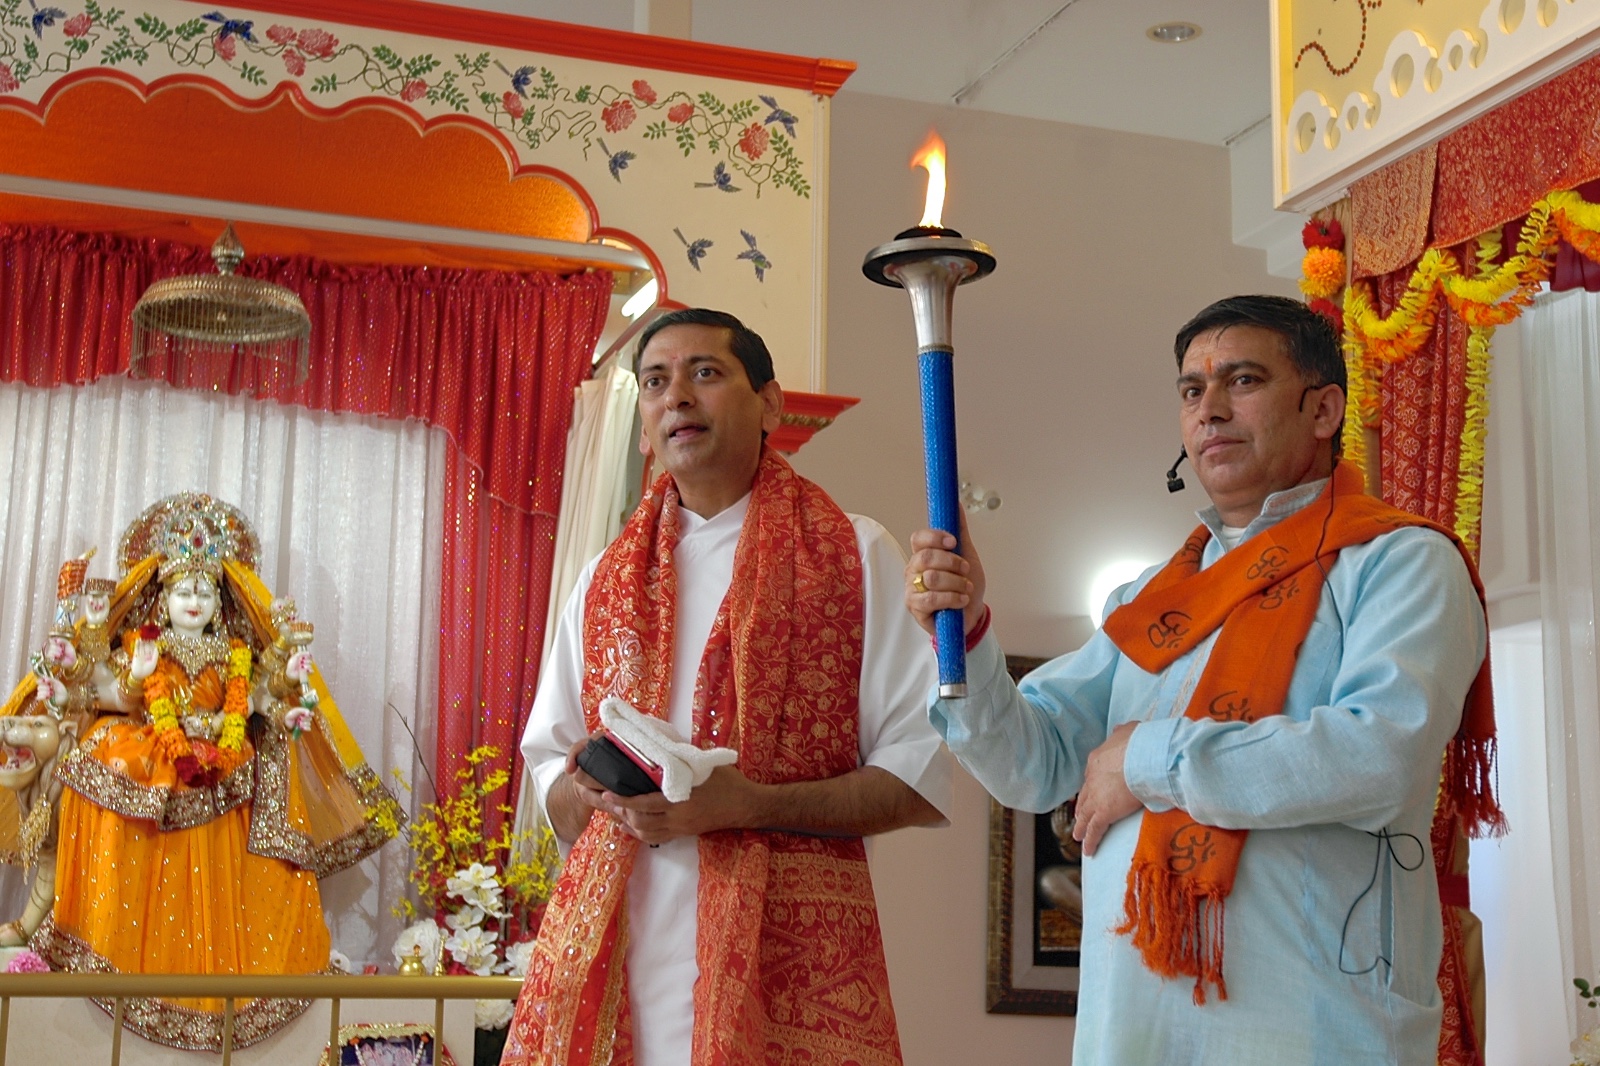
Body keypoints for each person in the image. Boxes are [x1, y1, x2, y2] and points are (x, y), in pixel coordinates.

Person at [905, 294, 1500, 1065]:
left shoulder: (1400, 562)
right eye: (1192, 389)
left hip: (1316, 1026)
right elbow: (1030, 765)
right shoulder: (1153, 598)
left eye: (1242, 381)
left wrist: (1145, 761)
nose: (1210, 409)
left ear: (1324, 410)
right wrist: (966, 633)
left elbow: (1379, 757)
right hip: (1135, 1030)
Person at [504, 308, 953, 1066]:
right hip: (618, 966)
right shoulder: (602, 581)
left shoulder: (852, 554)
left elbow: (918, 780)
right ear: (644, 428)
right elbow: (552, 777)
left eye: (705, 373)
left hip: (788, 972)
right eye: (655, 382)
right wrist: (593, 791)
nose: (677, 395)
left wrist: (748, 806)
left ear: (770, 404)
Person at [0, 493, 402, 1051]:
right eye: (183, 591)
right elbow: (110, 698)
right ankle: (107, 938)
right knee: (103, 754)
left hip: (222, 757)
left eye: (205, 591)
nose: (194, 601)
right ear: (162, 599)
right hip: (154, 748)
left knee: (265, 769)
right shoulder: (146, 644)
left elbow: (258, 698)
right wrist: (139, 677)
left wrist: (282, 699)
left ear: (219, 601)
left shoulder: (234, 652)